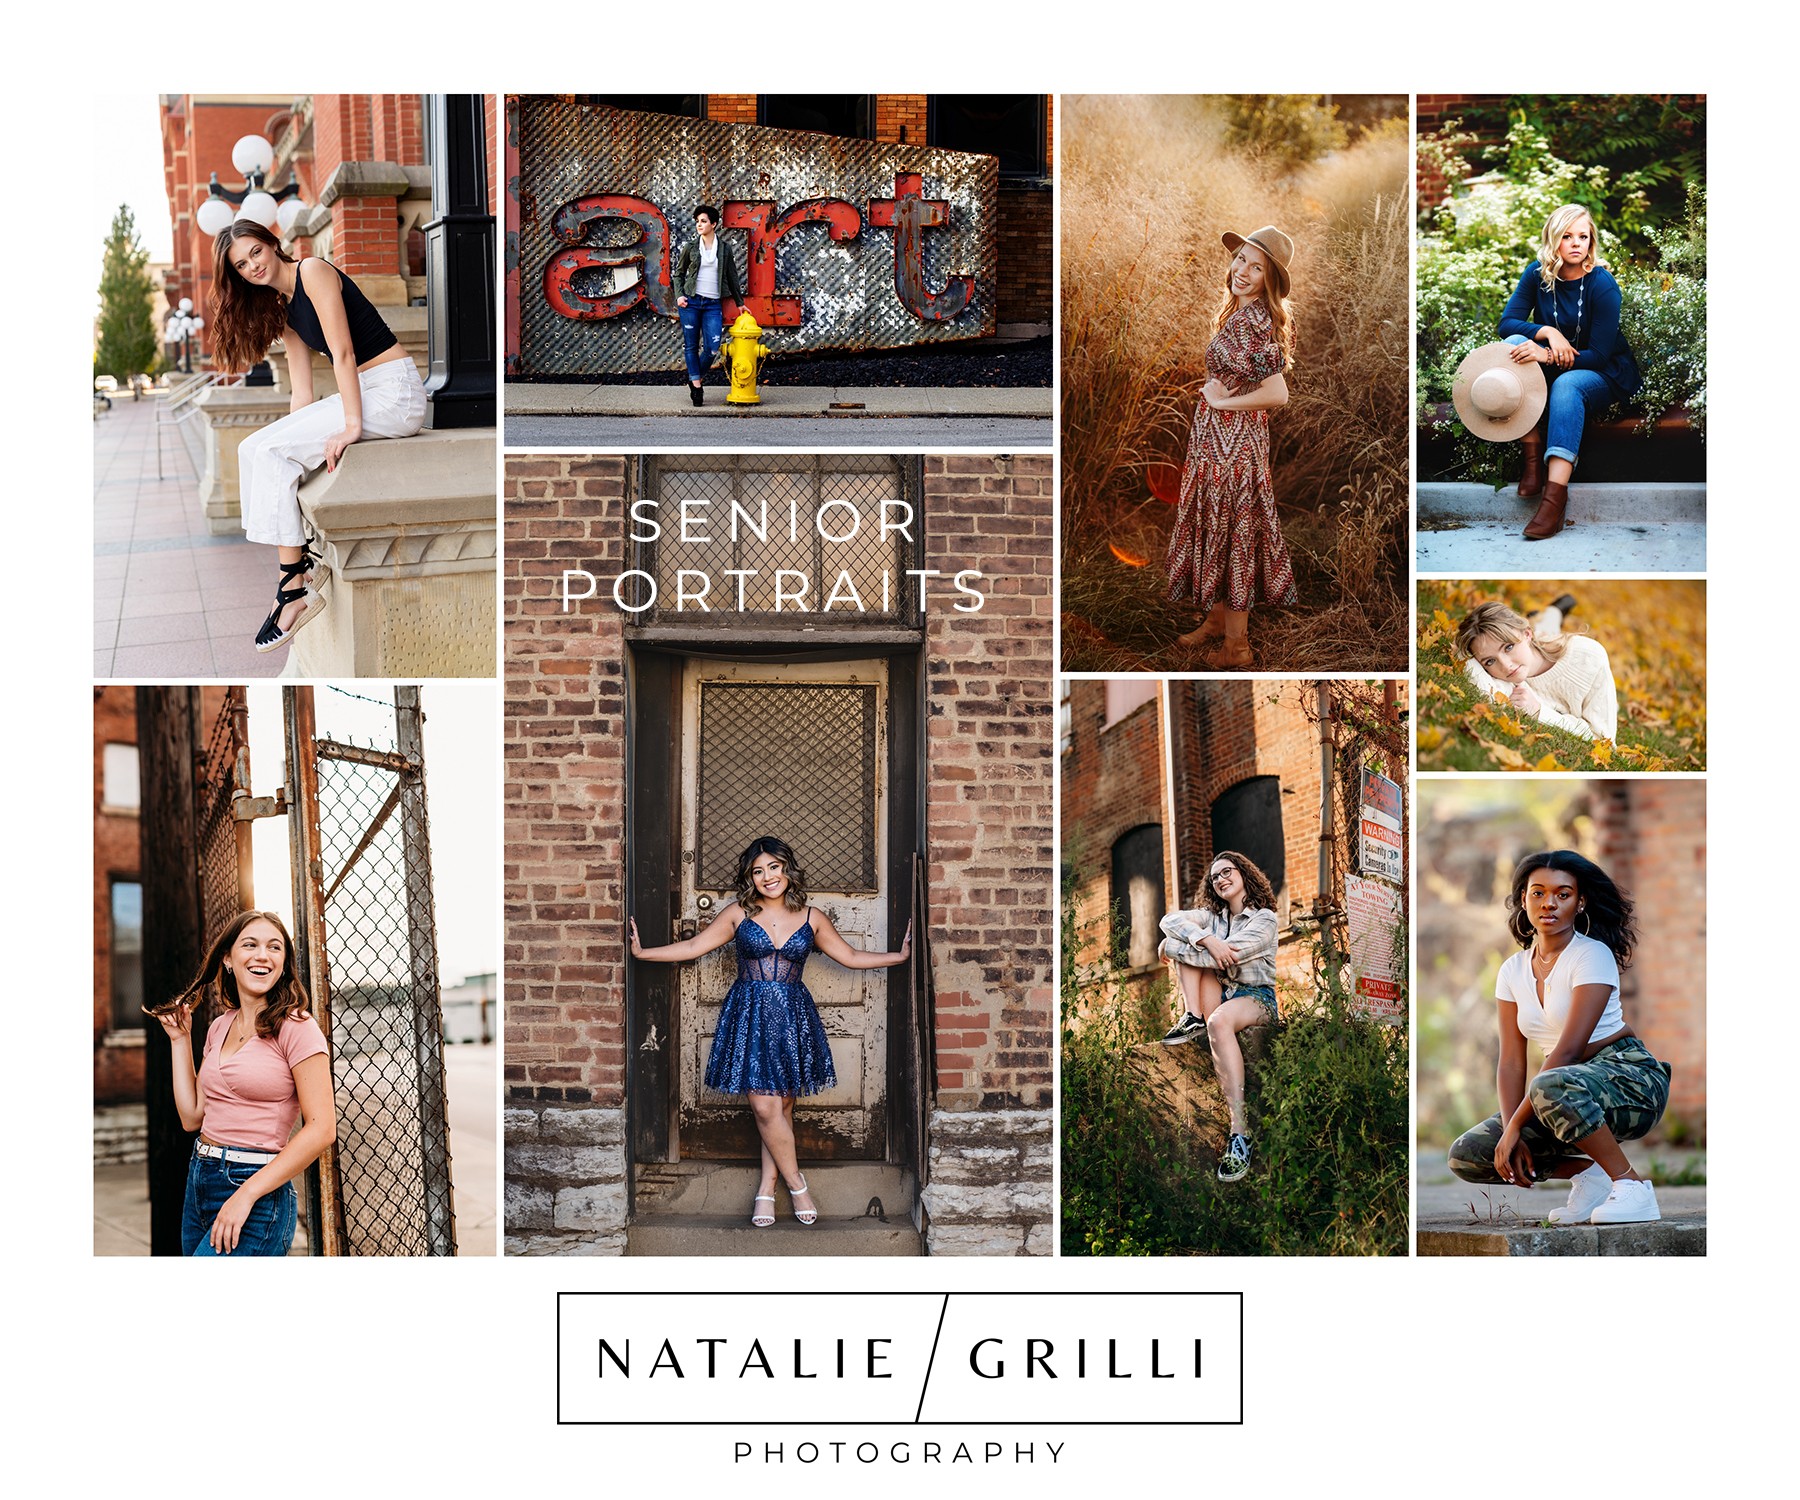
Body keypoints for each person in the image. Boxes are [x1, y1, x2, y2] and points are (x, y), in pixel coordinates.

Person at [629, 837, 911, 1226]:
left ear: (787, 870)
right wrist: (645, 953)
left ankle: (766, 1186)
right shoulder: (737, 914)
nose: (767, 877)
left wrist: (898, 956)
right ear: (751, 877)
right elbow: (694, 946)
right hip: (750, 1012)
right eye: (758, 871)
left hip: (793, 1016)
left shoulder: (812, 918)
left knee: (781, 1108)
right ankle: (798, 1186)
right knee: (764, 1106)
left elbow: (850, 956)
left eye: (774, 867)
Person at [210, 220, 427, 652]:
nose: (252, 266)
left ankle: (293, 587)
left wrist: (351, 425)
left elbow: (343, 352)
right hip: (366, 391)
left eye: (255, 252)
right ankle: (296, 568)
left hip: (394, 391)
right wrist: (295, 435)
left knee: (272, 452)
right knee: (254, 447)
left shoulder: (312, 270)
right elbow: (303, 392)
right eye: (240, 264)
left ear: (272, 244)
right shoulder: (280, 305)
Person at [1447, 851, 1670, 1224]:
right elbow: (1511, 1062)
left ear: (1580, 902)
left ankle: (1631, 1187)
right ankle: (1590, 1175)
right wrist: (1508, 1131)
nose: (1549, 902)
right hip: (1562, 1087)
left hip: (1631, 1080)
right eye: (1538, 893)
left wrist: (1517, 1125)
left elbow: (1568, 1049)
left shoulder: (1591, 955)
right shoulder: (1511, 971)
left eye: (1563, 894)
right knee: (1469, 1153)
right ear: (1523, 900)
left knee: (1550, 1083)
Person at [144, 911, 337, 1256]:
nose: (263, 955)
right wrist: (179, 1041)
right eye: (250, 944)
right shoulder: (220, 1026)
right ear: (228, 959)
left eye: (274, 947)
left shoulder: (297, 1027)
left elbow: (322, 1129)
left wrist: (246, 1194)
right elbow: (192, 1116)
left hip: (256, 1188)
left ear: (283, 964)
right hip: (200, 1178)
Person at [1165, 225, 1298, 670]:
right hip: (1216, 443)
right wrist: (1218, 390)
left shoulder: (1258, 320)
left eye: (1255, 267)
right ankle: (1218, 619)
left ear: (1269, 280)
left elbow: (1277, 393)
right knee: (1220, 530)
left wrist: (1224, 400)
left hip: (1234, 448)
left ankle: (1237, 648)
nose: (1242, 271)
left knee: (1234, 535)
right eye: (1240, 259)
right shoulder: (1237, 313)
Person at [1497, 204, 1642, 540]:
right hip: (1560, 359)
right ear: (1554, 240)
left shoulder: (1601, 284)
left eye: (1583, 236)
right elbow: (1506, 324)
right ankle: (1531, 455)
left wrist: (1546, 357)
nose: (1576, 243)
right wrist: (1549, 333)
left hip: (1603, 372)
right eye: (1567, 236)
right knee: (1516, 342)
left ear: (1591, 242)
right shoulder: (1538, 274)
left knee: (1567, 385)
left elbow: (1599, 355)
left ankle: (1554, 497)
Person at [1156, 851, 1282, 1182]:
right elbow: (1169, 920)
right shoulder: (1212, 919)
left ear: (1244, 874)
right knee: (1185, 940)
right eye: (1215, 877)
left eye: (1227, 872)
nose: (1221, 879)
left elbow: (1228, 956)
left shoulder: (1264, 919)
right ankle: (1192, 1014)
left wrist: (1172, 947)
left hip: (1256, 998)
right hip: (1223, 995)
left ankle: (1239, 1132)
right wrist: (1205, 937)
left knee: (1218, 1018)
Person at [1454, 596, 1618, 743]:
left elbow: (1603, 739)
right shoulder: (1505, 675)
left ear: (1526, 634)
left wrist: (1539, 711)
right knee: (1543, 630)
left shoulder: (1590, 658)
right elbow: (1468, 664)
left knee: (1546, 628)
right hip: (1536, 642)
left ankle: (1554, 611)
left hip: (1549, 644)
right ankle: (1544, 616)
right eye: (1490, 661)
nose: (1505, 666)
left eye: (1508, 647)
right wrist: (1463, 655)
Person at [674, 205, 746, 407]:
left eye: (703, 221)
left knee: (713, 347)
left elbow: (732, 277)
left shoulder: (724, 249)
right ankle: (696, 385)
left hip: (713, 304)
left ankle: (694, 376)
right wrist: (679, 296)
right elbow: (678, 274)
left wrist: (740, 303)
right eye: (697, 221)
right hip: (691, 301)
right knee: (691, 346)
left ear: (713, 224)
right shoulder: (690, 247)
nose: (699, 224)